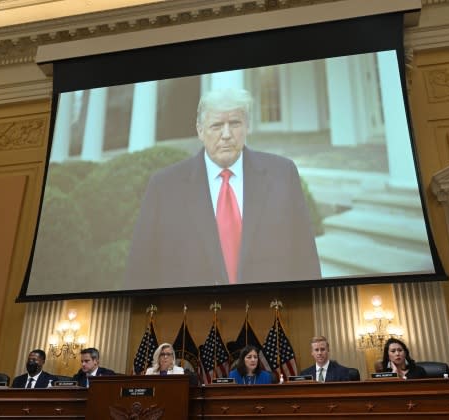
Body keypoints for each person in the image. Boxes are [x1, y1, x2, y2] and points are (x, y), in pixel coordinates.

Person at [125, 87, 321, 288]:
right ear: (200, 131)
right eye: (217, 125)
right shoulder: (164, 187)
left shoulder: (283, 174)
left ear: (247, 127)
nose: (226, 134)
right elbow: (140, 272)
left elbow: (305, 260)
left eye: (234, 123)